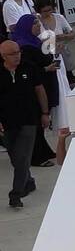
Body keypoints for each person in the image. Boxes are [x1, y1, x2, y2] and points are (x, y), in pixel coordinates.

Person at [0, 39, 48, 208]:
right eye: (12, 54)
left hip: (29, 120)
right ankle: (28, 181)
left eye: (18, 52)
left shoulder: (28, 67)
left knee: (22, 159)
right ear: (3, 56)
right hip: (7, 124)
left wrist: (45, 113)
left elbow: (39, 90)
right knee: (16, 158)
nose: (17, 56)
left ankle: (16, 194)